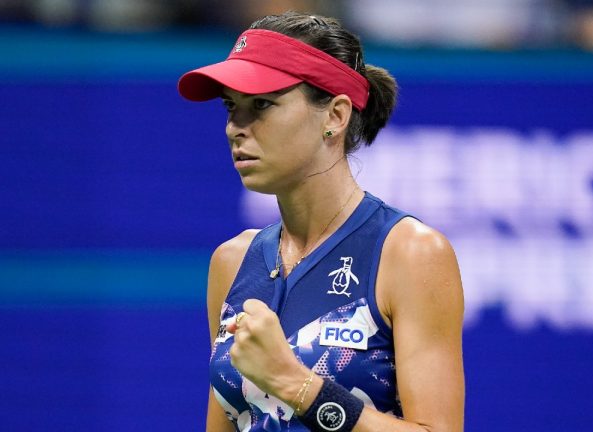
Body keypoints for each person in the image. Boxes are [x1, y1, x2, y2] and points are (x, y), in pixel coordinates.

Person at [177, 12, 464, 432]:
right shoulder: (232, 261)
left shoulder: (410, 253)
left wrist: (296, 384)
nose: (234, 129)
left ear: (334, 115)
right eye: (230, 107)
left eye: (262, 104)